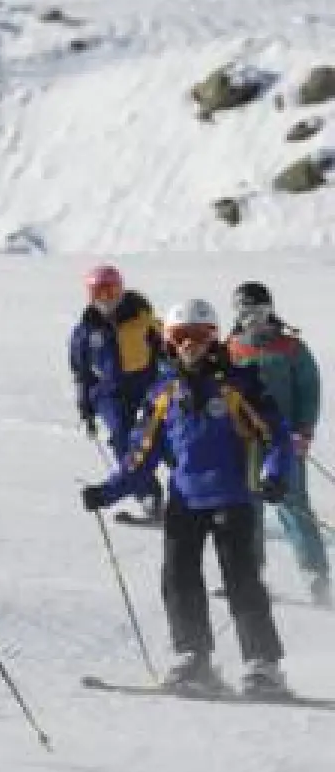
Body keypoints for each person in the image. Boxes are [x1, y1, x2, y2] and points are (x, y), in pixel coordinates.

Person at [83, 298, 294, 696]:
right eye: (181, 337)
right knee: (179, 579)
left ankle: (263, 665)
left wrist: (276, 475)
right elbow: (140, 455)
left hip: (233, 497)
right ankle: (193, 658)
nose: (190, 345)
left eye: (199, 336)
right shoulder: (163, 393)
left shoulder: (238, 384)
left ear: (214, 339)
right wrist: (108, 491)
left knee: (242, 580)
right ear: (169, 342)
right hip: (185, 499)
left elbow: (276, 436)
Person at [225, 280, 329, 607]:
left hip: (285, 440)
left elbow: (309, 390)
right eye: (246, 312)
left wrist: (304, 430)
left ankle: (316, 575)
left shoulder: (290, 347)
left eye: (259, 311)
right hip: (246, 442)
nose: (253, 319)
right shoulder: (231, 348)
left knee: (293, 504)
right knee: (248, 508)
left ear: (270, 311)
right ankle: (252, 574)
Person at [70, 264, 165, 521]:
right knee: (123, 438)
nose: (106, 299)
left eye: (111, 291)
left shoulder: (140, 317)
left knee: (153, 437)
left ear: (121, 290)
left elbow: (166, 346)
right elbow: (82, 374)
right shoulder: (86, 331)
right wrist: (86, 409)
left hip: (144, 384)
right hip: (109, 393)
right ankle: (149, 494)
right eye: (98, 293)